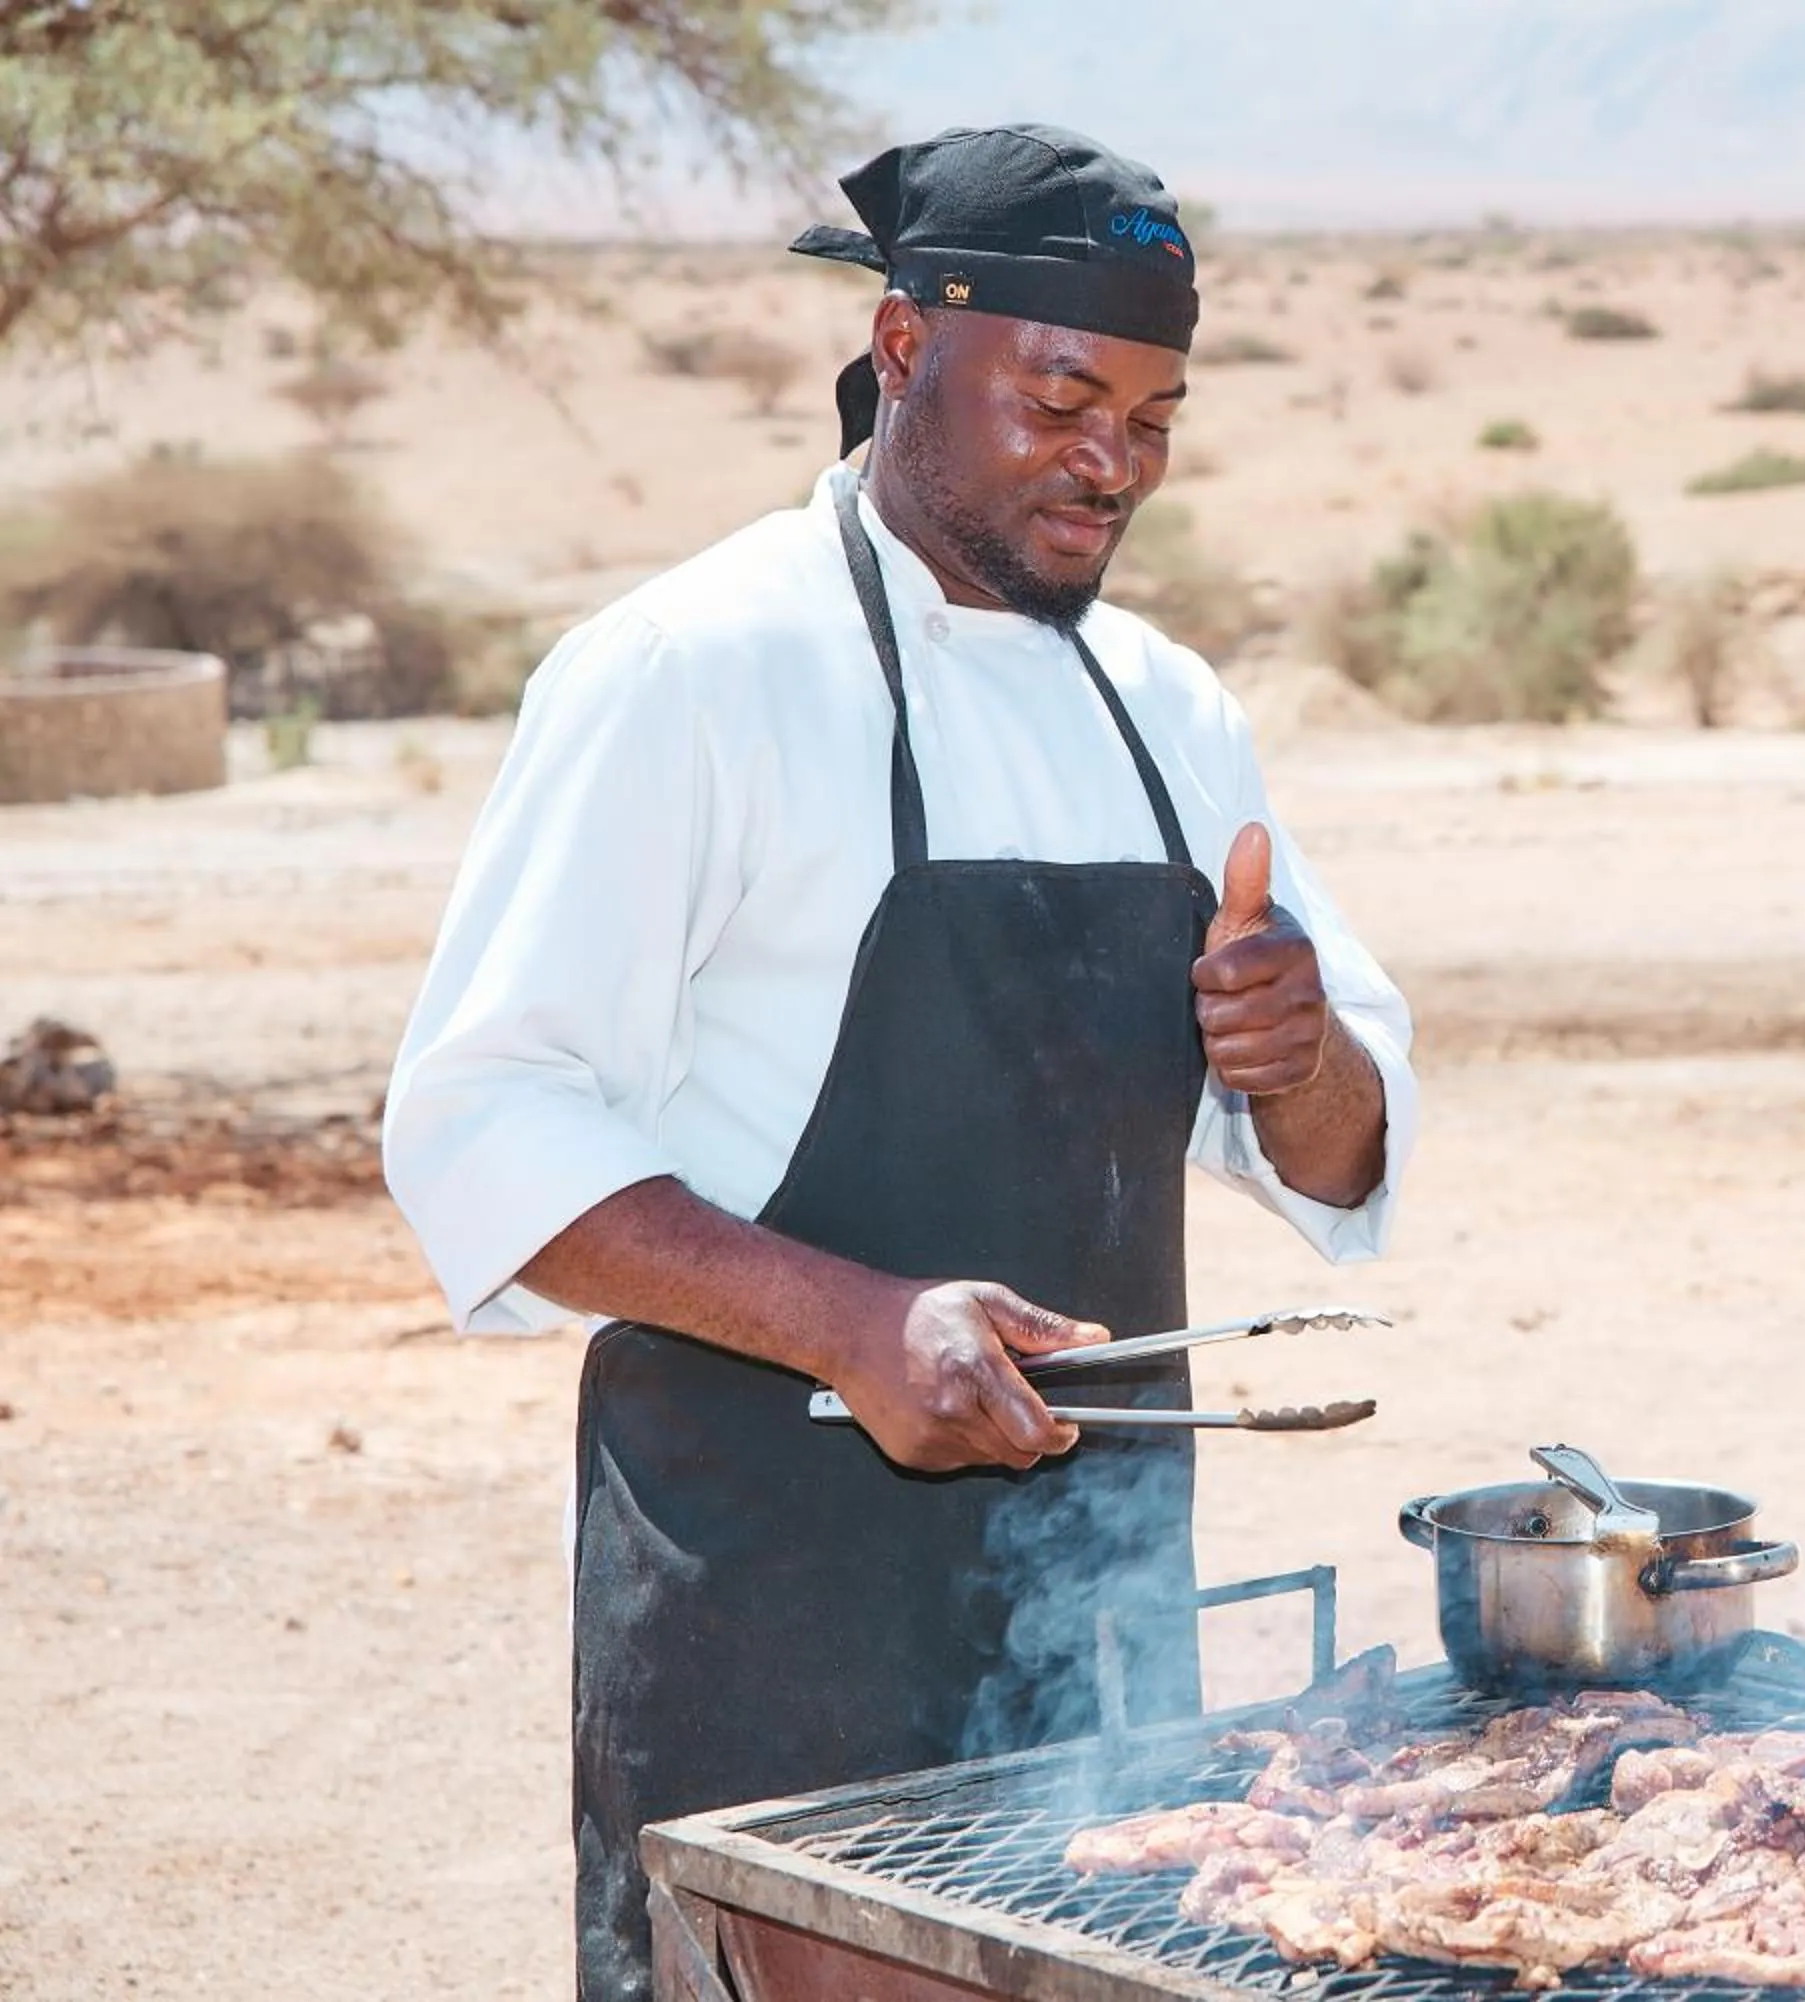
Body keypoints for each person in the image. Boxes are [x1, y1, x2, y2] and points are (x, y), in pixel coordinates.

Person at [380, 124, 1414, 2002]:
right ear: (906, 345)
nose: (1115, 463)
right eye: (1065, 399)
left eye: (1158, 417)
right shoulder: (689, 669)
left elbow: (1340, 1153)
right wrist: (861, 1322)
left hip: (1099, 1614)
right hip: (774, 1609)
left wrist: (1297, 1049)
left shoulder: (1171, 710)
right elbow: (487, 1122)